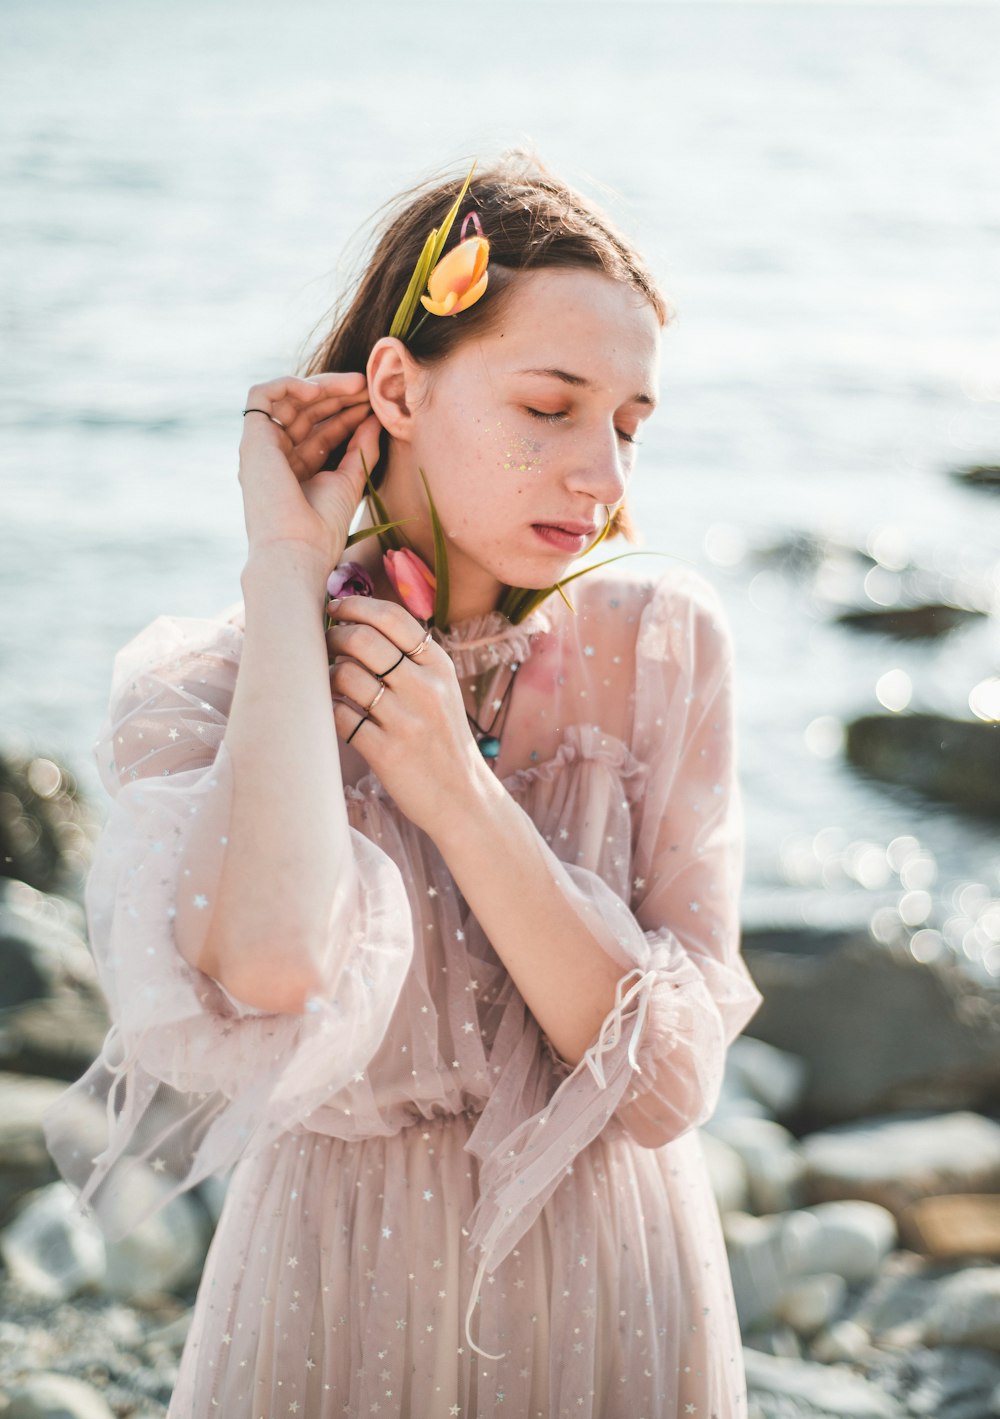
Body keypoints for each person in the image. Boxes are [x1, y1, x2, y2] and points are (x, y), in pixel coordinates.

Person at [44, 152, 764, 1418]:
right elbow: (265, 970)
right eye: (550, 405)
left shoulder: (660, 645)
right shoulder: (226, 684)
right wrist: (284, 570)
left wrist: (456, 792)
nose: (603, 477)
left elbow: (663, 1092)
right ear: (397, 385)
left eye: (630, 426)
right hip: (330, 1291)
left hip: (612, 1289)